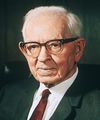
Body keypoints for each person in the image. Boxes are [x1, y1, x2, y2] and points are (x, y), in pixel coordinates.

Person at [0, 6, 100, 120]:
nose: (43, 58)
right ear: (24, 51)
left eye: (54, 45)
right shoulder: (7, 94)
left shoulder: (96, 109)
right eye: (33, 46)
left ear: (78, 49)